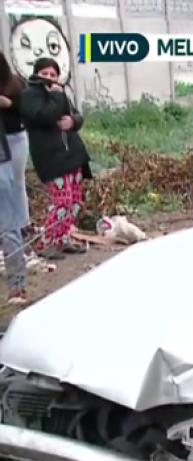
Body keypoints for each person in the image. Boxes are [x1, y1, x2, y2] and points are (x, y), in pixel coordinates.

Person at [19, 57, 92, 258]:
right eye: (45, 74)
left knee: (75, 200)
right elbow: (45, 116)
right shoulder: (30, 95)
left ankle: (62, 238)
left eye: (53, 74)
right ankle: (45, 243)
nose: (49, 78)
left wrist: (73, 121)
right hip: (52, 158)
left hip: (72, 155)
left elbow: (77, 115)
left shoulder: (59, 93)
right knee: (62, 201)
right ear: (36, 74)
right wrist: (57, 98)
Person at [0, 52, 29, 304]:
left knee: (8, 222)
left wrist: (9, 104)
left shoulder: (15, 84)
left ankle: (17, 286)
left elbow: (27, 110)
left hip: (8, 152)